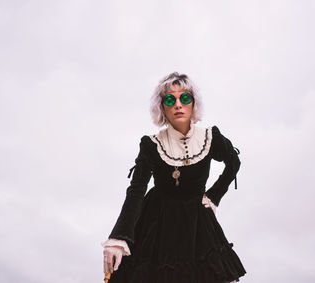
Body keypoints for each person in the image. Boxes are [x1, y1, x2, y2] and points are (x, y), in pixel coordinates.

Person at [102, 72, 247, 282]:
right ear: (162, 107)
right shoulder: (152, 145)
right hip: (157, 225)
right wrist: (119, 237)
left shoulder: (210, 137)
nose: (178, 104)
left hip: (197, 225)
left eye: (184, 98)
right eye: (170, 99)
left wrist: (215, 194)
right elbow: (136, 189)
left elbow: (233, 162)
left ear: (193, 103)